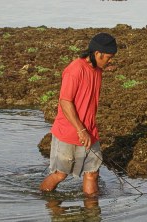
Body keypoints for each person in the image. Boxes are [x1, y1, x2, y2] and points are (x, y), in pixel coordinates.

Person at [40, 33, 117, 195]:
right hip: (69, 132)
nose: (110, 60)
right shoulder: (74, 70)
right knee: (60, 174)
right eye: (109, 57)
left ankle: (92, 216)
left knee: (92, 173)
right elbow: (65, 102)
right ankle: (46, 201)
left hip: (90, 132)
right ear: (97, 53)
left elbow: (92, 76)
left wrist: (105, 67)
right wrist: (80, 130)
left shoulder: (97, 67)